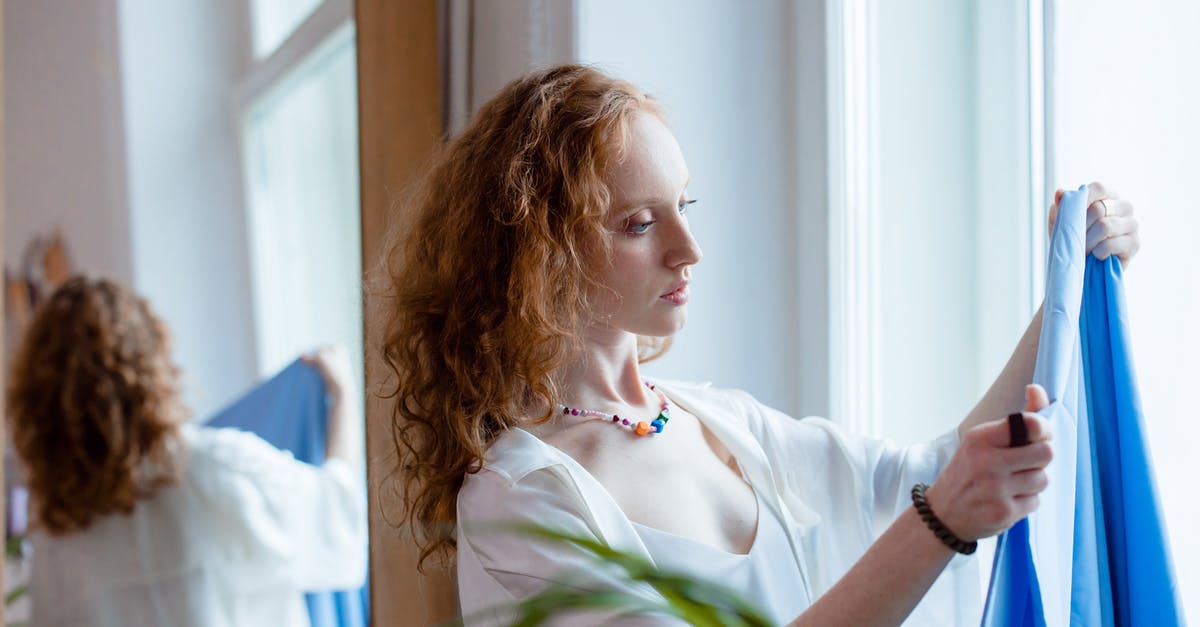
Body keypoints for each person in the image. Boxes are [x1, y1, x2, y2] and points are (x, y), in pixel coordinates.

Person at [381, 64, 1141, 625]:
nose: (690, 248)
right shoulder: (521, 500)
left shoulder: (722, 425)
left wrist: (1065, 295)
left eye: (686, 205)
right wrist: (941, 519)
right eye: (641, 224)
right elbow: (938, 501)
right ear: (538, 255)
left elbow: (929, 477)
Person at [5, 276, 367, 627]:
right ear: (151, 363)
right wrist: (343, 397)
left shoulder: (58, 537)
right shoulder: (218, 470)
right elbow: (338, 526)